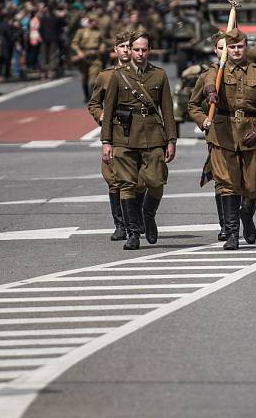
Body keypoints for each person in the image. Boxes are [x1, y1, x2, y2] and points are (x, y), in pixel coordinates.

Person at [100, 30, 177, 250]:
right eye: (136, 49)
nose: (140, 54)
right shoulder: (117, 75)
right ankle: (133, 233)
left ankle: (148, 213)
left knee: (156, 181)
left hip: (153, 136)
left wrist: (171, 140)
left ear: (149, 51)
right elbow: (109, 108)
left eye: (144, 50)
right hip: (123, 136)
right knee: (126, 184)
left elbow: (167, 110)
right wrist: (106, 142)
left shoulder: (159, 75)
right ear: (130, 51)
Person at [200, 28, 256, 250]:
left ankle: (247, 215)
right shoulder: (218, 71)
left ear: (245, 47)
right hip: (224, 135)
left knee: (254, 184)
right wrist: (211, 90)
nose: (235, 50)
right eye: (231, 47)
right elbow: (210, 79)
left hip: (251, 132)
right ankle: (232, 233)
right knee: (227, 185)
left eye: (239, 46)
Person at [88, 29, 132, 242]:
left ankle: (136, 218)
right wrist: (101, 115)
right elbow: (94, 102)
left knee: (137, 180)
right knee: (113, 180)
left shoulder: (142, 73)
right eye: (122, 47)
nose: (126, 50)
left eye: (129, 46)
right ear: (116, 50)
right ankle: (120, 224)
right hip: (113, 131)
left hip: (137, 132)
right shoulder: (106, 75)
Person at [187, 33, 229, 243]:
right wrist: (203, 120)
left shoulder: (249, 73)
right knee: (222, 182)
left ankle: (245, 217)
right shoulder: (207, 75)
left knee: (247, 184)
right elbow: (192, 105)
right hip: (218, 135)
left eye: (229, 47)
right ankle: (227, 226)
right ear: (215, 50)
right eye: (221, 48)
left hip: (244, 136)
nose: (226, 52)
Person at [71, 13, 107, 102]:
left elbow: (103, 41)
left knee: (94, 79)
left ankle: (93, 97)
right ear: (90, 21)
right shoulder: (81, 31)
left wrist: (102, 47)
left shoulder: (99, 31)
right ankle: (86, 95)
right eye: (94, 21)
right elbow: (74, 43)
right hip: (84, 56)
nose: (96, 23)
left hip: (95, 57)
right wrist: (79, 52)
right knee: (84, 77)